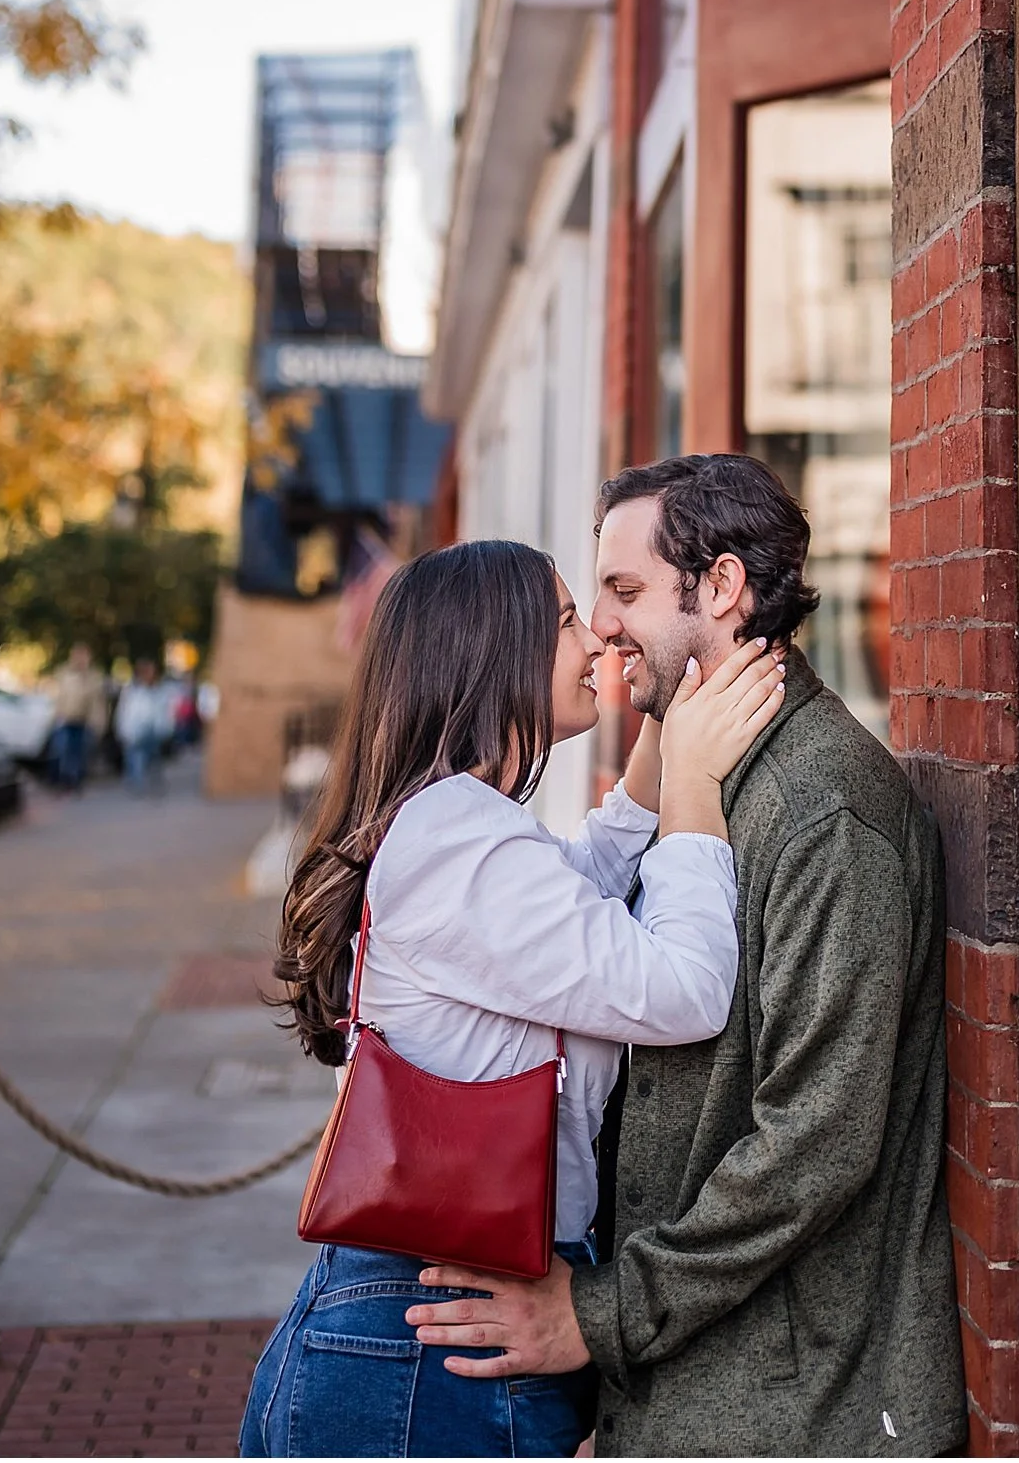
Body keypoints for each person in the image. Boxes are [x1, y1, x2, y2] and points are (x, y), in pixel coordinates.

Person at [406, 452, 968, 1459]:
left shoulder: (820, 809)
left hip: (791, 1409)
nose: (602, 626)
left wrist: (600, 1314)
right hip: (690, 1388)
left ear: (720, 586)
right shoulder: (713, 782)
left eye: (624, 592)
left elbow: (815, 1143)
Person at [242, 538, 783, 1460]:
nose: (597, 641)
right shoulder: (459, 839)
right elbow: (684, 988)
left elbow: (582, 894)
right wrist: (696, 787)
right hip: (427, 1351)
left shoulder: (455, 824)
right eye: (569, 618)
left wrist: (666, 718)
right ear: (495, 649)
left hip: (421, 1327)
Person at [48, 644, 108, 792]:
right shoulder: (64, 674)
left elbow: (98, 703)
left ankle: (75, 781)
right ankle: (63, 781)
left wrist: (99, 723)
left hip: (84, 722)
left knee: (79, 753)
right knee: (61, 751)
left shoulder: (93, 677)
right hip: (65, 720)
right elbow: (56, 697)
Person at [114, 659, 173, 793]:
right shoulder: (131, 691)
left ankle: (153, 783)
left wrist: (166, 728)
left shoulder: (160, 691)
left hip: (154, 731)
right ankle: (137, 784)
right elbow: (124, 712)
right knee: (135, 757)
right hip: (135, 730)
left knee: (154, 758)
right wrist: (123, 730)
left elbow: (165, 712)